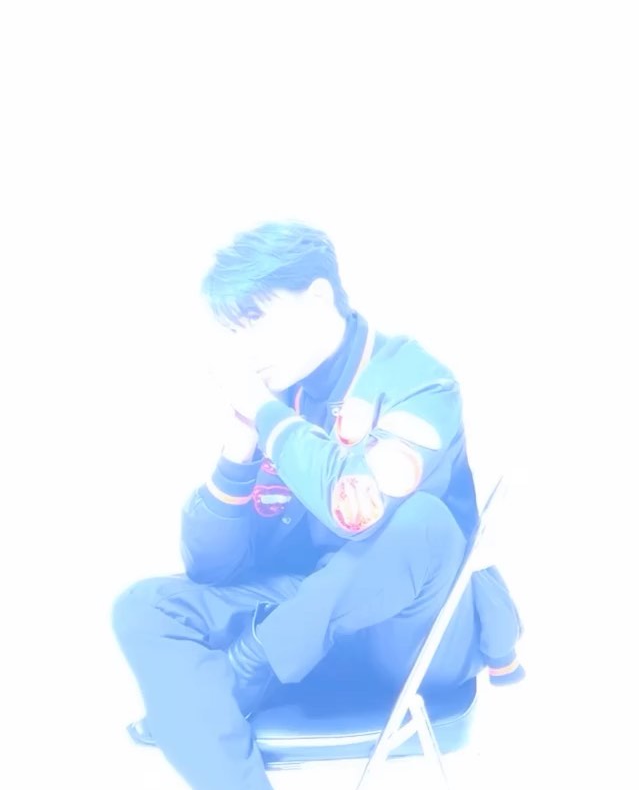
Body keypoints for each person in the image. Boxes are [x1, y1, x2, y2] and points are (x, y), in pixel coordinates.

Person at [112, 220, 524, 790]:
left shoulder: (417, 378)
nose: (244, 346)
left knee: (423, 523)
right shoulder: (279, 398)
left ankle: (234, 678)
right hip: (305, 631)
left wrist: (266, 413)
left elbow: (357, 508)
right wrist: (239, 448)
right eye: (233, 329)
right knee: (143, 606)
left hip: (408, 639)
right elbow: (211, 569)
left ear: (317, 296)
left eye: (256, 319)